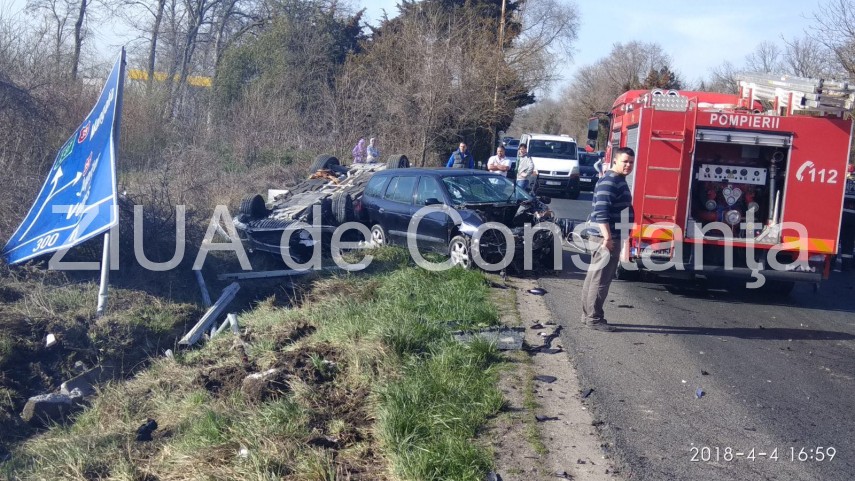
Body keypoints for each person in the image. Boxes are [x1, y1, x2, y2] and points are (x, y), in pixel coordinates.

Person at [580, 147, 635, 332]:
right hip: (606, 237)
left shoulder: (616, 179)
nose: (628, 165)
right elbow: (601, 211)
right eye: (625, 161)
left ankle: (587, 315)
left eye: (631, 162)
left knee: (594, 277)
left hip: (607, 235)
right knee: (601, 279)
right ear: (615, 161)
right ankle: (594, 319)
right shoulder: (611, 180)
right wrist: (608, 238)